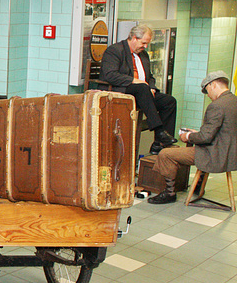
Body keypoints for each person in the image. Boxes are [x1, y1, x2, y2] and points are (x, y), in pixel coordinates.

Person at [148, 71, 237, 204]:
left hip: (213, 154)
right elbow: (222, 131)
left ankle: (169, 192)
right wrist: (197, 133)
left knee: (166, 153)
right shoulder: (233, 101)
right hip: (230, 154)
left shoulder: (217, 106)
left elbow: (206, 137)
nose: (209, 96)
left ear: (213, 85)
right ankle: (198, 184)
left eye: (207, 91)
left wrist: (188, 136)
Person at [100, 24, 177, 154]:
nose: (145, 46)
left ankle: (160, 143)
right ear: (134, 38)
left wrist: (151, 87)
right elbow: (109, 74)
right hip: (122, 90)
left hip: (143, 92)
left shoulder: (143, 55)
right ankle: (159, 131)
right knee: (141, 88)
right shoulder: (115, 50)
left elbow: (150, 77)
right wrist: (133, 80)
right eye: (143, 43)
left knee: (169, 101)